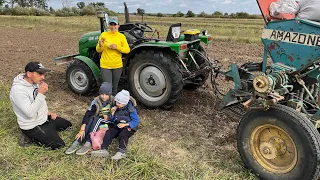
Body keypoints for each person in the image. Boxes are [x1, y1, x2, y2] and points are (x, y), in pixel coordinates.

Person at [10, 62, 72, 150]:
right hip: (32, 125)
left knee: (68, 126)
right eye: (39, 74)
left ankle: (48, 131)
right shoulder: (18, 91)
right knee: (58, 145)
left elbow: (37, 102)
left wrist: (47, 112)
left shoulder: (34, 82)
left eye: (43, 74)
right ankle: (28, 135)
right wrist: (41, 93)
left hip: (43, 118)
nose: (43, 77)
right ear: (29, 74)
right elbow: (30, 113)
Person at [65, 82, 115, 155]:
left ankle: (89, 141)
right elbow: (88, 114)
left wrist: (110, 116)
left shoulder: (114, 101)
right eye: (102, 94)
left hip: (108, 122)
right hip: (96, 121)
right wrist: (82, 127)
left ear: (110, 94)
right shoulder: (96, 101)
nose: (104, 97)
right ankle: (78, 140)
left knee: (97, 119)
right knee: (92, 118)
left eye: (106, 94)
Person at [91, 90, 139, 160]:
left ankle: (121, 152)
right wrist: (112, 113)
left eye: (119, 103)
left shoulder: (131, 109)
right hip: (118, 125)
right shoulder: (116, 107)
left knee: (123, 134)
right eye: (116, 102)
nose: (117, 104)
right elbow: (112, 120)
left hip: (127, 127)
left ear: (124, 103)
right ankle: (104, 149)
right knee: (109, 132)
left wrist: (126, 124)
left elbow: (136, 121)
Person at [96, 16, 130, 96]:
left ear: (118, 25)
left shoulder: (121, 36)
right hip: (105, 65)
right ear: (109, 26)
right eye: (111, 24)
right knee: (107, 87)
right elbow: (98, 50)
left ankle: (113, 102)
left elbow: (127, 50)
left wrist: (117, 47)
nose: (113, 27)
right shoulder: (104, 35)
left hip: (117, 66)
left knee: (115, 87)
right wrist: (100, 45)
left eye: (115, 24)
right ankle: (107, 104)